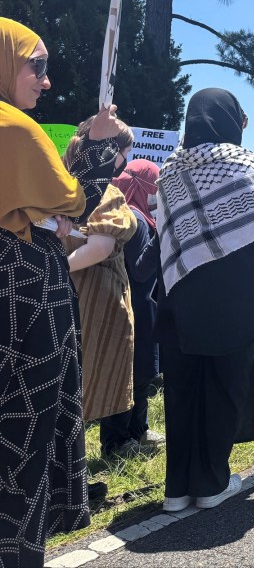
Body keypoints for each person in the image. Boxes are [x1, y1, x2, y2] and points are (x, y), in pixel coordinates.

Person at [0, 17, 124, 567]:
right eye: (38, 65)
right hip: (23, 299)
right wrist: (97, 149)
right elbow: (75, 202)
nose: (46, 81)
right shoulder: (15, 131)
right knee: (23, 445)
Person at [155, 88, 254, 512]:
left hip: (181, 294)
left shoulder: (169, 171)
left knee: (181, 390)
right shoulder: (246, 164)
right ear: (231, 119)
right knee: (224, 387)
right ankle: (211, 483)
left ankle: (176, 489)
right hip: (235, 297)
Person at [61, 118, 140, 445]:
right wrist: (61, 269)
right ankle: (70, 482)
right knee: (82, 385)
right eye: (125, 152)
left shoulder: (61, 184)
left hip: (64, 296)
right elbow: (101, 247)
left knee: (64, 383)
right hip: (93, 299)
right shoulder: (105, 192)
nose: (126, 160)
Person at [101, 159, 167, 458]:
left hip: (137, 306)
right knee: (126, 375)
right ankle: (117, 441)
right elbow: (141, 272)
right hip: (134, 308)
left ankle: (138, 430)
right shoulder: (136, 220)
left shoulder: (127, 215)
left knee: (140, 374)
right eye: (154, 185)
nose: (156, 193)